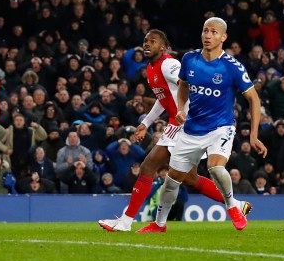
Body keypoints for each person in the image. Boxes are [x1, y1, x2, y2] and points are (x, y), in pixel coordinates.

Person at [99, 30, 250, 232]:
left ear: (163, 47)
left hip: (185, 123)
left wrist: (186, 113)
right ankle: (236, 204)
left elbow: (191, 87)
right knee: (189, 178)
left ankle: (126, 221)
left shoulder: (169, 65)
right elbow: (164, 101)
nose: (147, 44)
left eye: (152, 42)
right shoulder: (152, 69)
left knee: (148, 166)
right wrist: (147, 122)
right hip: (177, 123)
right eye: (145, 41)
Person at [138, 18, 268, 233]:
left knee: (216, 168)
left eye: (214, 32)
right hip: (191, 129)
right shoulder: (190, 59)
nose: (208, 35)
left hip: (220, 127)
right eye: (205, 30)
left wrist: (254, 136)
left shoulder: (232, 67)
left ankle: (232, 208)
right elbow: (183, 86)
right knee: (172, 181)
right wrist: (180, 108)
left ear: (223, 37)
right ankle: (159, 224)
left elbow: (254, 99)